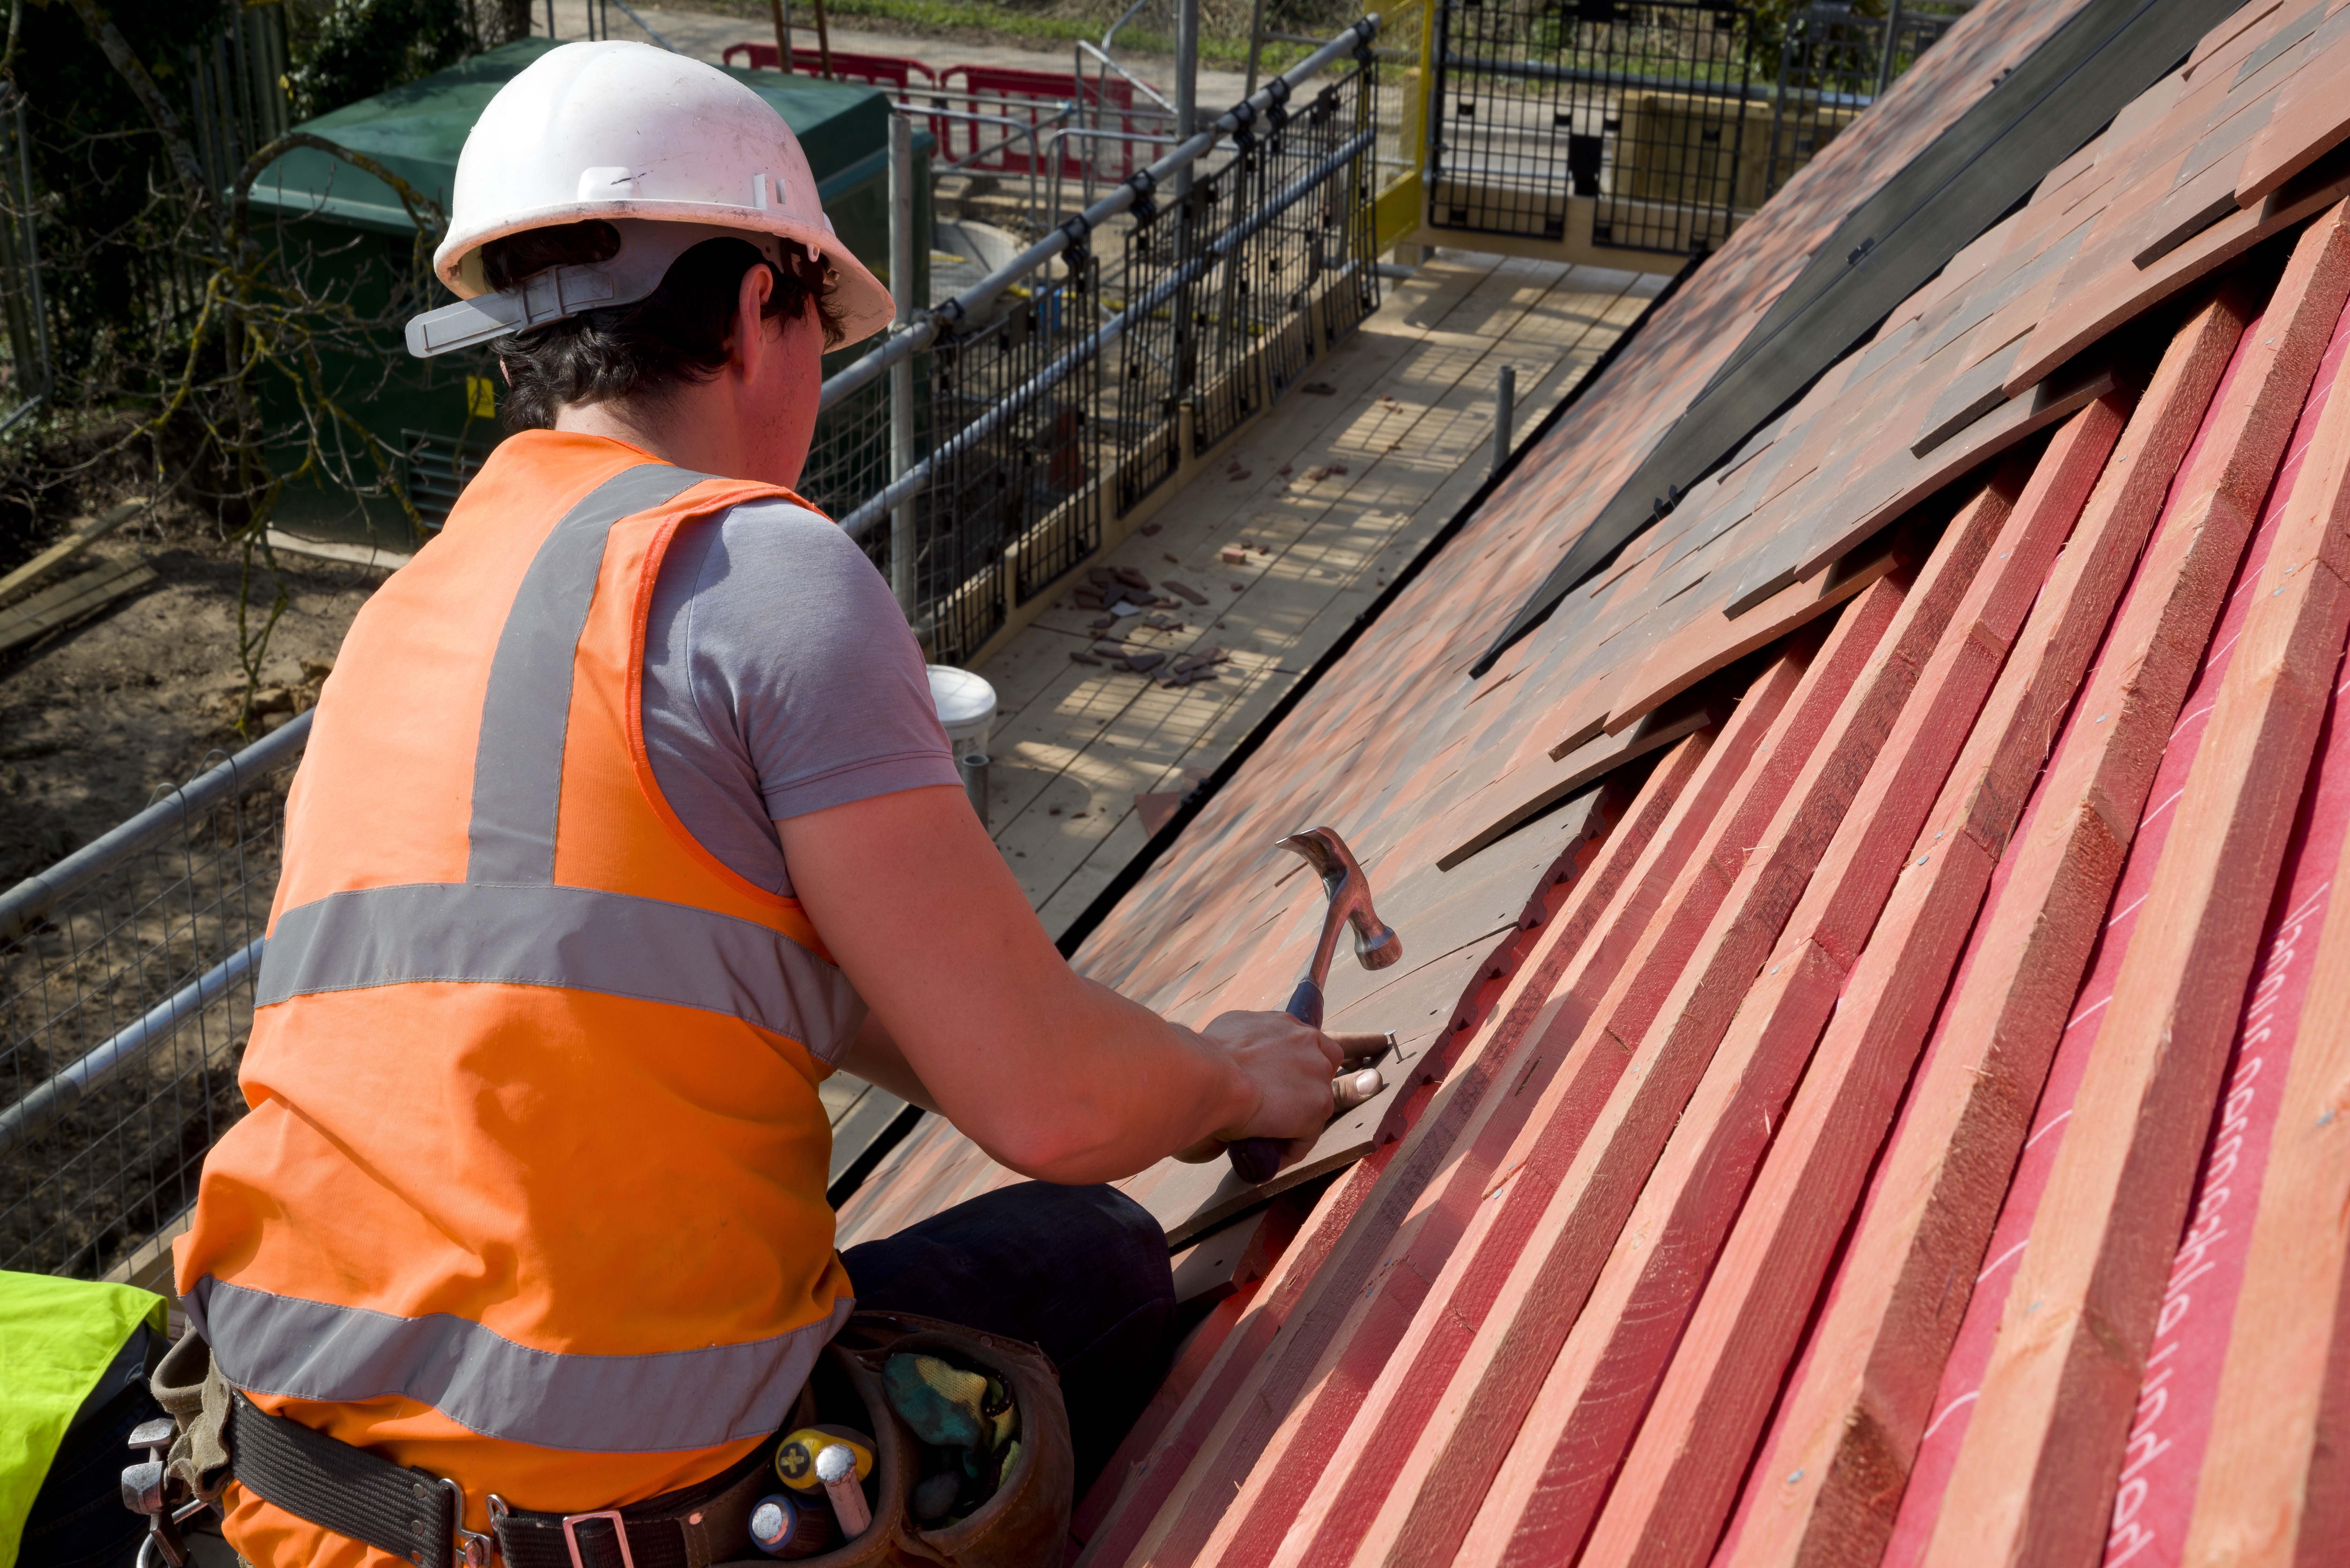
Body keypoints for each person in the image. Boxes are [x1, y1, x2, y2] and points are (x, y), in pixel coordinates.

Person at [165, 40, 1346, 1568]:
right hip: (599, 1519)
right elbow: (1051, 1106)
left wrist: (1117, 1052)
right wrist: (1235, 1086)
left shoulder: (409, 617)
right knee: (1096, 1257)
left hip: (279, 1495)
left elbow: (765, 983)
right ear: (749, 308)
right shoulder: (753, 563)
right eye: (816, 321)